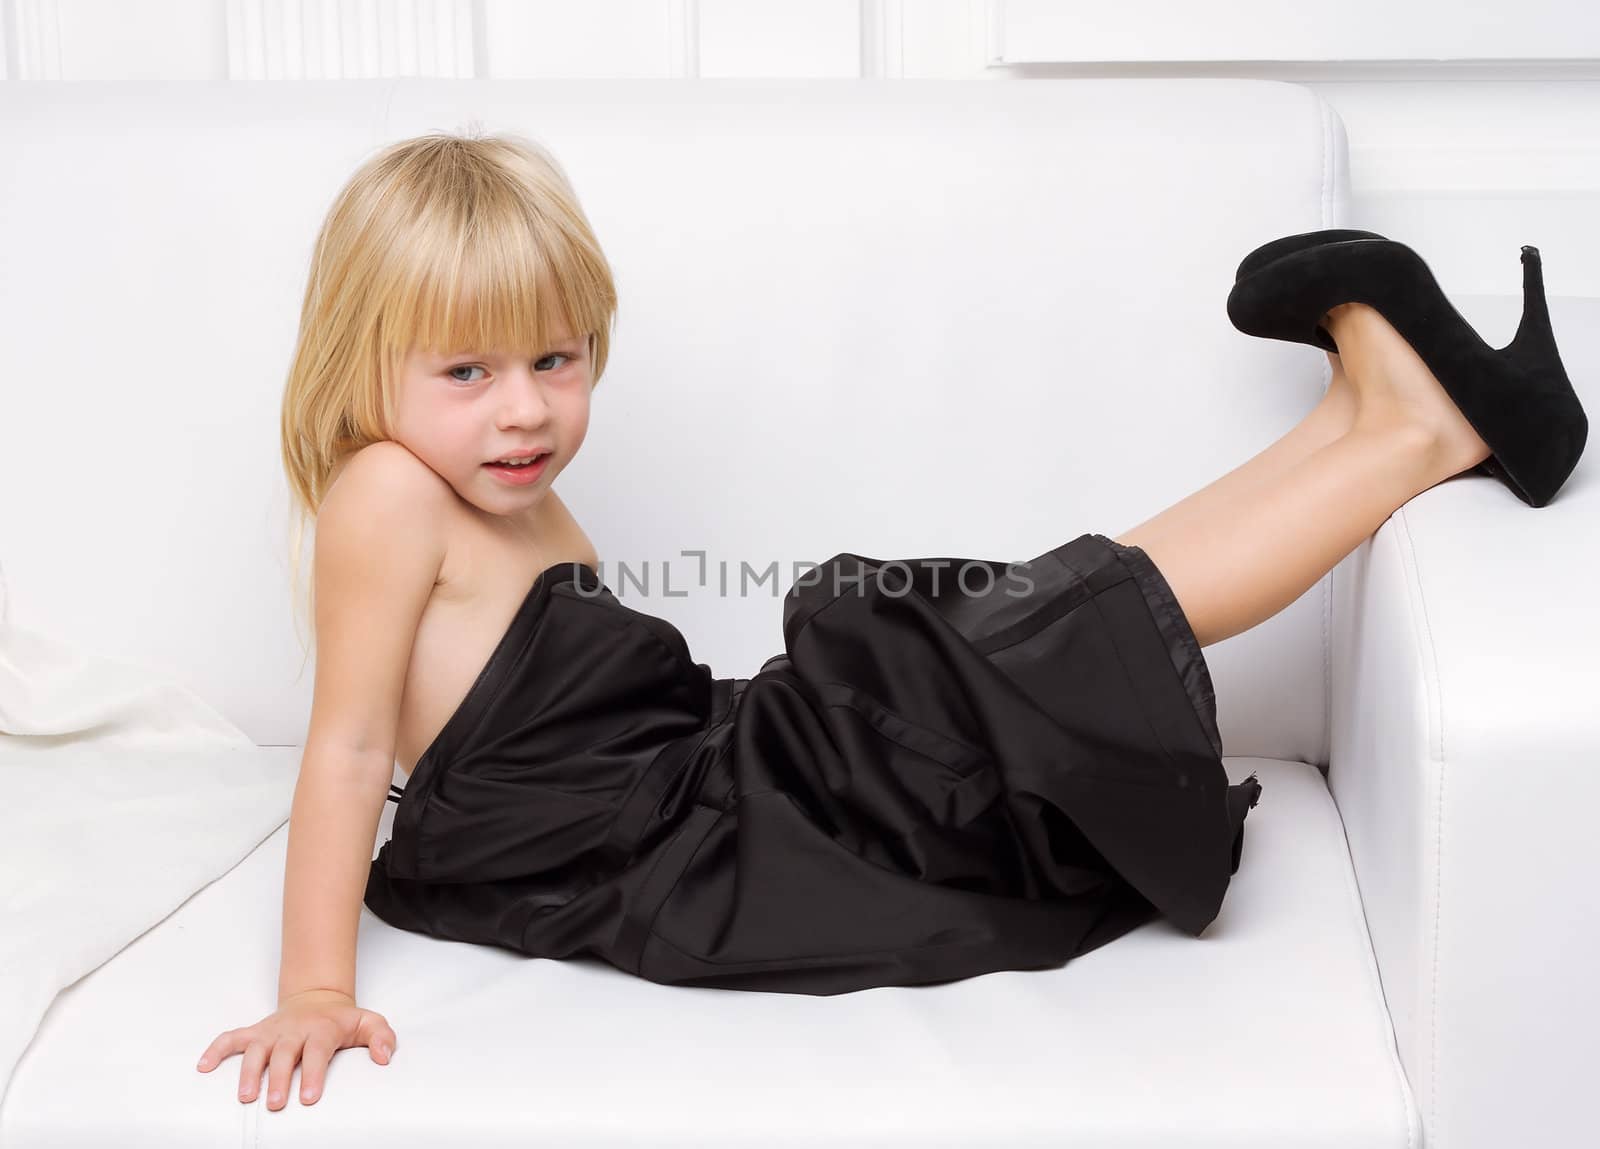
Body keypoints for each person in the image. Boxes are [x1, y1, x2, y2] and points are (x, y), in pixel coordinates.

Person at [195, 131, 1585, 1113]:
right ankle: (1405, 433)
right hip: (691, 843)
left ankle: (1372, 424)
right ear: (358, 361)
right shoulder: (385, 491)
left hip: (711, 771)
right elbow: (346, 746)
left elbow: (585, 714)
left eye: (557, 359)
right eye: (468, 369)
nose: (526, 407)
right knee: (986, 640)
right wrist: (313, 985)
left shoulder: (486, 493)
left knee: (979, 621)